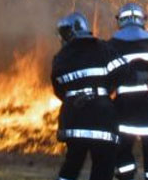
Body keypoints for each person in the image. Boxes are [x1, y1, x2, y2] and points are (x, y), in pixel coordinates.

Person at [52, 12, 128, 180]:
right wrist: (108, 89)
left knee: (72, 164)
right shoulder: (103, 48)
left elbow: (58, 89)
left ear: (71, 32)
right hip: (102, 119)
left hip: (74, 118)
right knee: (103, 165)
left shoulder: (60, 58)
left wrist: (74, 100)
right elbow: (123, 72)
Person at [107, 3, 148, 180]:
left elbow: (110, 77)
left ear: (121, 20)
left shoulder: (112, 45)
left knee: (120, 148)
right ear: (142, 20)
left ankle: (126, 176)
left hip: (125, 110)